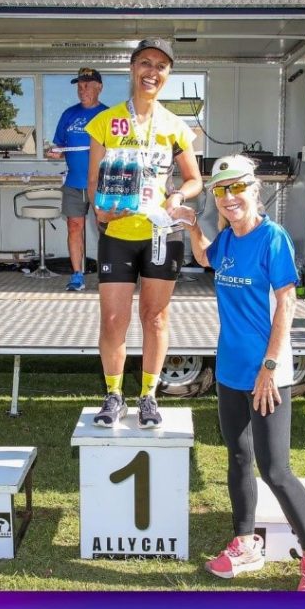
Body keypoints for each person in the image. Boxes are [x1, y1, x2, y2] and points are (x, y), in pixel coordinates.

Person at [171, 154, 305, 591]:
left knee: (275, 469)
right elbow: (206, 258)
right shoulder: (227, 238)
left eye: (237, 187)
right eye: (221, 190)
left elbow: (287, 302)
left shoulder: (272, 237)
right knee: (239, 458)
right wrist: (192, 226)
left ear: (255, 189)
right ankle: (245, 544)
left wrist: (270, 366)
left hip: (267, 372)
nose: (229, 197)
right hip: (229, 369)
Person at [85, 39, 203, 429]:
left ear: (168, 75)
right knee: (113, 319)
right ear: (133, 68)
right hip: (118, 232)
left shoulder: (175, 126)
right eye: (146, 63)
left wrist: (177, 195)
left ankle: (149, 396)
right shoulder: (106, 121)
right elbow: (93, 181)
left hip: (161, 234)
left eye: (161, 66)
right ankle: (113, 395)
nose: (152, 71)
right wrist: (100, 208)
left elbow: (195, 180)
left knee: (155, 317)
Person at [46, 67, 108, 292]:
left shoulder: (109, 116)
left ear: (99, 87)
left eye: (88, 86)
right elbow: (60, 147)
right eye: (80, 86)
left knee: (106, 230)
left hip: (102, 185)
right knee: (74, 227)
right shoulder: (68, 114)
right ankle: (77, 276)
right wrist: (55, 153)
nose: (83, 90)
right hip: (74, 183)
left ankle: (108, 275)